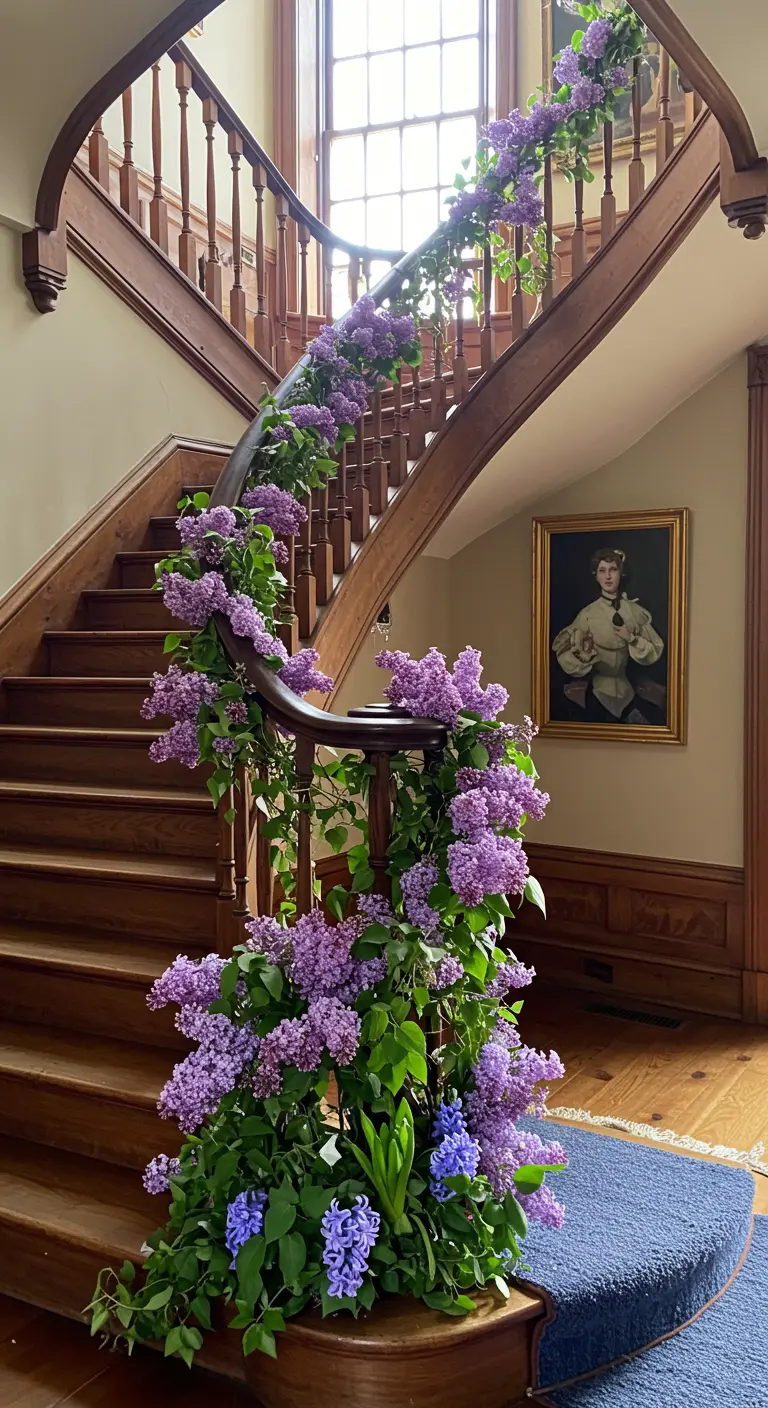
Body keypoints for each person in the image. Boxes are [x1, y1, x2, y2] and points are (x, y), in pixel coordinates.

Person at [551, 546, 665, 724]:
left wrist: (631, 638)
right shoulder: (588, 614)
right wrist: (582, 656)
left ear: (621, 573)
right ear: (595, 575)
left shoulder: (635, 612)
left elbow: (654, 651)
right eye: (602, 571)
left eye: (613, 570)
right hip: (598, 693)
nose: (608, 576)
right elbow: (564, 654)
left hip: (628, 691)